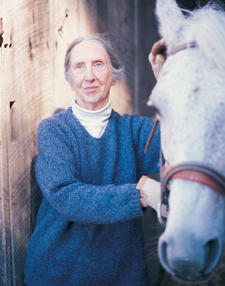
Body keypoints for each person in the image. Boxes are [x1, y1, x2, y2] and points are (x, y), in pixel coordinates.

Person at [24, 34, 167, 286]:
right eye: (79, 67)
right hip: (59, 274)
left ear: (114, 75)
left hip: (123, 275)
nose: (89, 75)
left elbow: (184, 140)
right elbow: (66, 196)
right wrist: (141, 195)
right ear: (70, 80)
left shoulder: (133, 131)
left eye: (98, 64)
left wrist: (168, 82)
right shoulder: (54, 130)